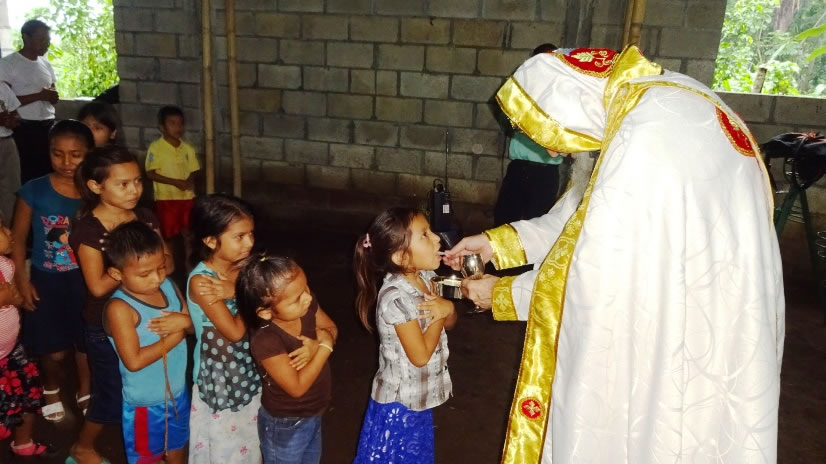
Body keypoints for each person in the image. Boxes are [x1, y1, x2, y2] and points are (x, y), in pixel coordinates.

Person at [445, 46, 785, 463]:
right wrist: (494, 244)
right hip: (714, 309)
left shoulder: (642, 139)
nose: (553, 154)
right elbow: (580, 222)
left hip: (674, 323)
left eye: (553, 138)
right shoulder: (652, 102)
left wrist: (503, 293)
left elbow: (599, 279)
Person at [67, 145, 173, 464]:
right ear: (96, 186)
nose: (134, 190)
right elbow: (97, 286)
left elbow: (167, 261)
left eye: (138, 181)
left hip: (147, 314)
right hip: (106, 326)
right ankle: (83, 446)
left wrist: (150, 267)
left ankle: (152, 442)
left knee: (148, 385)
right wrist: (134, 266)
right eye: (123, 184)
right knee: (113, 391)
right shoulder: (89, 230)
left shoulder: (145, 217)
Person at [352, 207, 457, 463]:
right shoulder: (395, 298)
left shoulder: (427, 277)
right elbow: (420, 356)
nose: (437, 238)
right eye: (425, 234)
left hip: (419, 399)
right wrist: (441, 314)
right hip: (398, 405)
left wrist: (448, 310)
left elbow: (449, 323)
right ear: (401, 257)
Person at [10, 120, 94, 424]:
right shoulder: (34, 191)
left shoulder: (94, 192)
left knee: (85, 340)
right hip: (46, 278)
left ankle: (86, 388)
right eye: (58, 154)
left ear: (90, 154)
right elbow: (18, 239)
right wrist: (22, 279)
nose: (66, 162)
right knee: (52, 348)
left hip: (86, 279)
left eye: (76, 155)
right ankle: (51, 387)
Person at [103, 221, 192, 464]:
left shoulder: (169, 286)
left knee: (177, 449)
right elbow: (133, 361)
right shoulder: (120, 309)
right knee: (146, 458)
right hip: (145, 404)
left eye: (161, 268)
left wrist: (185, 322)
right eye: (144, 274)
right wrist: (176, 335)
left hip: (178, 393)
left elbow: (191, 325)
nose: (156, 278)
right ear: (117, 274)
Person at [237, 254, 338, 464]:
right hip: (285, 424)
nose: (308, 297)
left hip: (314, 412)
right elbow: (296, 388)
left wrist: (319, 342)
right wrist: (324, 347)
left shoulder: (307, 306)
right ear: (265, 312)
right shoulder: (266, 340)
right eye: (297, 298)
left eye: (306, 287)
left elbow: (331, 328)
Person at [187, 193, 262, 464]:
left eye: (251, 234)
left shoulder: (246, 267)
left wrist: (237, 290)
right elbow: (234, 332)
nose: (249, 243)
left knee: (251, 439)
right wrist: (245, 294)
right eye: (239, 237)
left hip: (249, 369)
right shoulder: (202, 282)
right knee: (224, 446)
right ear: (210, 240)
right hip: (219, 378)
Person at [0, 216, 55, 459]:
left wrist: (15, 298)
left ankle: (23, 443)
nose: (9, 232)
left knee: (27, 397)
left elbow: (17, 299)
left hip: (12, 350)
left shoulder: (5, 265)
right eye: (1, 229)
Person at [493, 43, 564, 227]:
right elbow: (503, 115)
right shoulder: (521, 88)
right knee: (505, 222)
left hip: (546, 173)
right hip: (519, 168)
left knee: (537, 226)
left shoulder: (562, 92)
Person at [0, 19, 58, 183]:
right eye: (41, 39)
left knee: (48, 171)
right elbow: (5, 101)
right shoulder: (8, 64)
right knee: (27, 173)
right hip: (24, 127)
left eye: (48, 40)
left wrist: (52, 96)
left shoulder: (46, 64)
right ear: (26, 37)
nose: (46, 44)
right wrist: (39, 96)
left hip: (47, 124)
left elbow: (52, 94)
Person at [145, 105, 200, 266]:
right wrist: (175, 182)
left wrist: (189, 180)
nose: (178, 127)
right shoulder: (156, 148)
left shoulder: (187, 148)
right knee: (168, 235)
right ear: (162, 127)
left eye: (180, 123)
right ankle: (170, 266)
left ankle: (189, 266)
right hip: (166, 198)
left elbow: (194, 169)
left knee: (188, 233)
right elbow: (150, 173)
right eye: (172, 123)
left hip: (186, 198)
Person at [0, 81, 22, 222]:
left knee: (11, 189)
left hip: (7, 142)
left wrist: (11, 120)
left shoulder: (3, 87)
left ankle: (7, 230)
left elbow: (16, 116)